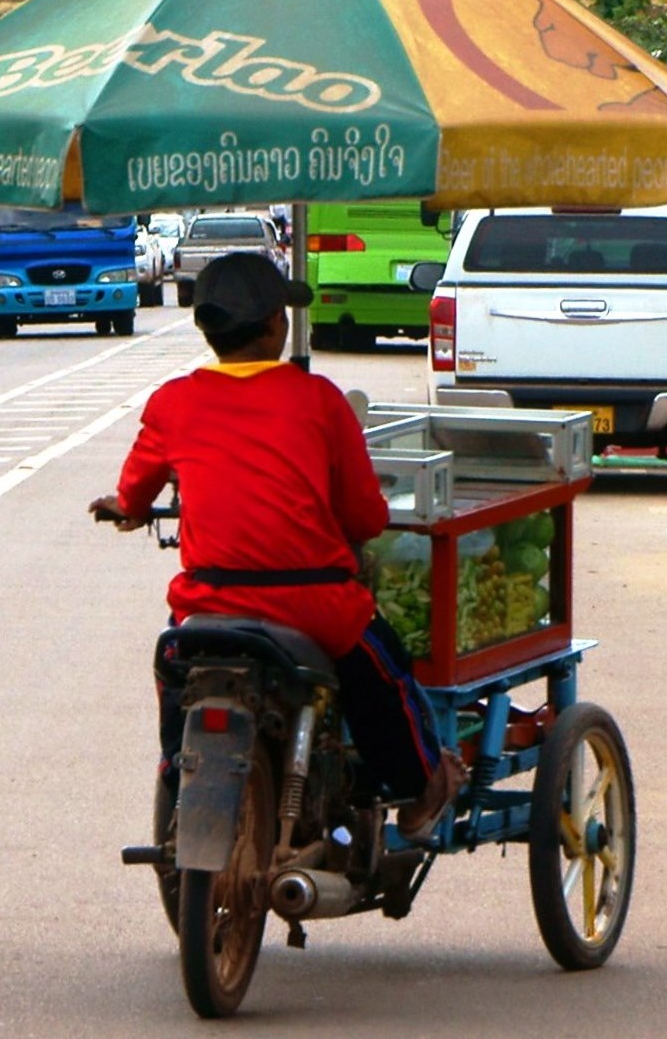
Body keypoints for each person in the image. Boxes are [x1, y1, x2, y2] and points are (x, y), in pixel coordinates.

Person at [90, 249, 465, 839]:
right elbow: (365, 516)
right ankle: (423, 782)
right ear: (274, 326)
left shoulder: (173, 402)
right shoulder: (318, 400)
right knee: (385, 674)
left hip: (208, 603)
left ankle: (174, 769)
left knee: (174, 668)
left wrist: (126, 510)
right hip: (315, 607)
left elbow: (135, 493)